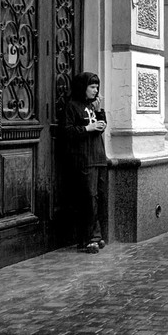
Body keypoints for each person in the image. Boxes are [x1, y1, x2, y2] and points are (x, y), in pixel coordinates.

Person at [62, 71, 108, 253]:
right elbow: (67, 131)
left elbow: (101, 128)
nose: (96, 90)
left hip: (99, 157)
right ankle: (90, 239)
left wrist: (99, 112)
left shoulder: (93, 106)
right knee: (88, 199)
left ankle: (95, 236)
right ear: (83, 87)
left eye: (97, 87)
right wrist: (88, 128)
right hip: (84, 158)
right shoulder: (72, 106)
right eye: (92, 87)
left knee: (98, 198)